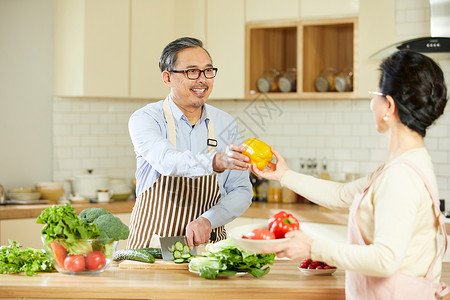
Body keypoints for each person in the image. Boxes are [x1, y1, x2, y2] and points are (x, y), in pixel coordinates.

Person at [252, 50, 449, 299]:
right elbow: (342, 194)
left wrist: (313, 247)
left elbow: (386, 259)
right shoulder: (407, 163)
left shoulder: (400, 176)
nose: (371, 104)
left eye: (375, 95)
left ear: (388, 105)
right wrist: (284, 175)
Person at [127, 37, 252, 250]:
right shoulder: (146, 119)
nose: (202, 79)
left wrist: (208, 220)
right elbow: (167, 161)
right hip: (152, 250)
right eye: (192, 72)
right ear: (167, 77)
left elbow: (241, 190)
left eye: (208, 71)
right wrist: (216, 160)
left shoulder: (225, 123)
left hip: (209, 251)